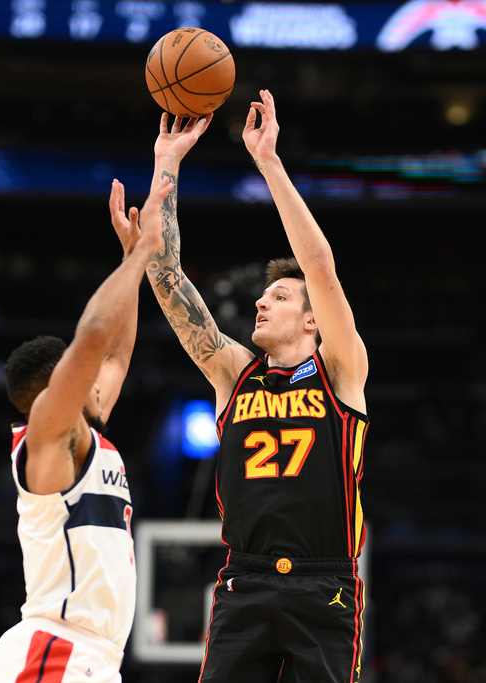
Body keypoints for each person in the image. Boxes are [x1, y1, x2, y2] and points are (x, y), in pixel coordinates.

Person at [141, 90, 370, 682]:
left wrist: (267, 161)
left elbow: (320, 269)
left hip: (326, 583)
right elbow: (166, 278)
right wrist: (167, 164)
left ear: (313, 317)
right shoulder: (234, 374)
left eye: (280, 296)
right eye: (263, 295)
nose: (261, 302)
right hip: (244, 580)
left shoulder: (340, 370)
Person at [0, 177, 173, 683]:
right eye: (81, 377)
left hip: (92, 657)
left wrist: (132, 254)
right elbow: (93, 338)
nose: (99, 383)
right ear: (55, 387)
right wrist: (144, 254)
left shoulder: (84, 434)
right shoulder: (49, 435)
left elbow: (116, 352)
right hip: (54, 649)